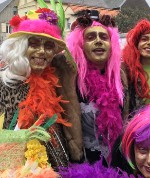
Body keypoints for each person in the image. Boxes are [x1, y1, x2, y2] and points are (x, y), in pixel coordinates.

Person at [0, 6, 83, 168]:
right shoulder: (4, 82)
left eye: (48, 46)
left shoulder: (55, 82)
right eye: (34, 44)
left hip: (54, 169)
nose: (41, 51)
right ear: (21, 47)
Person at [66, 10, 128, 164]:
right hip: (82, 165)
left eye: (104, 37)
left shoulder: (120, 76)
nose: (98, 41)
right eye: (91, 37)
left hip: (116, 162)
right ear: (80, 44)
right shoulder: (69, 78)